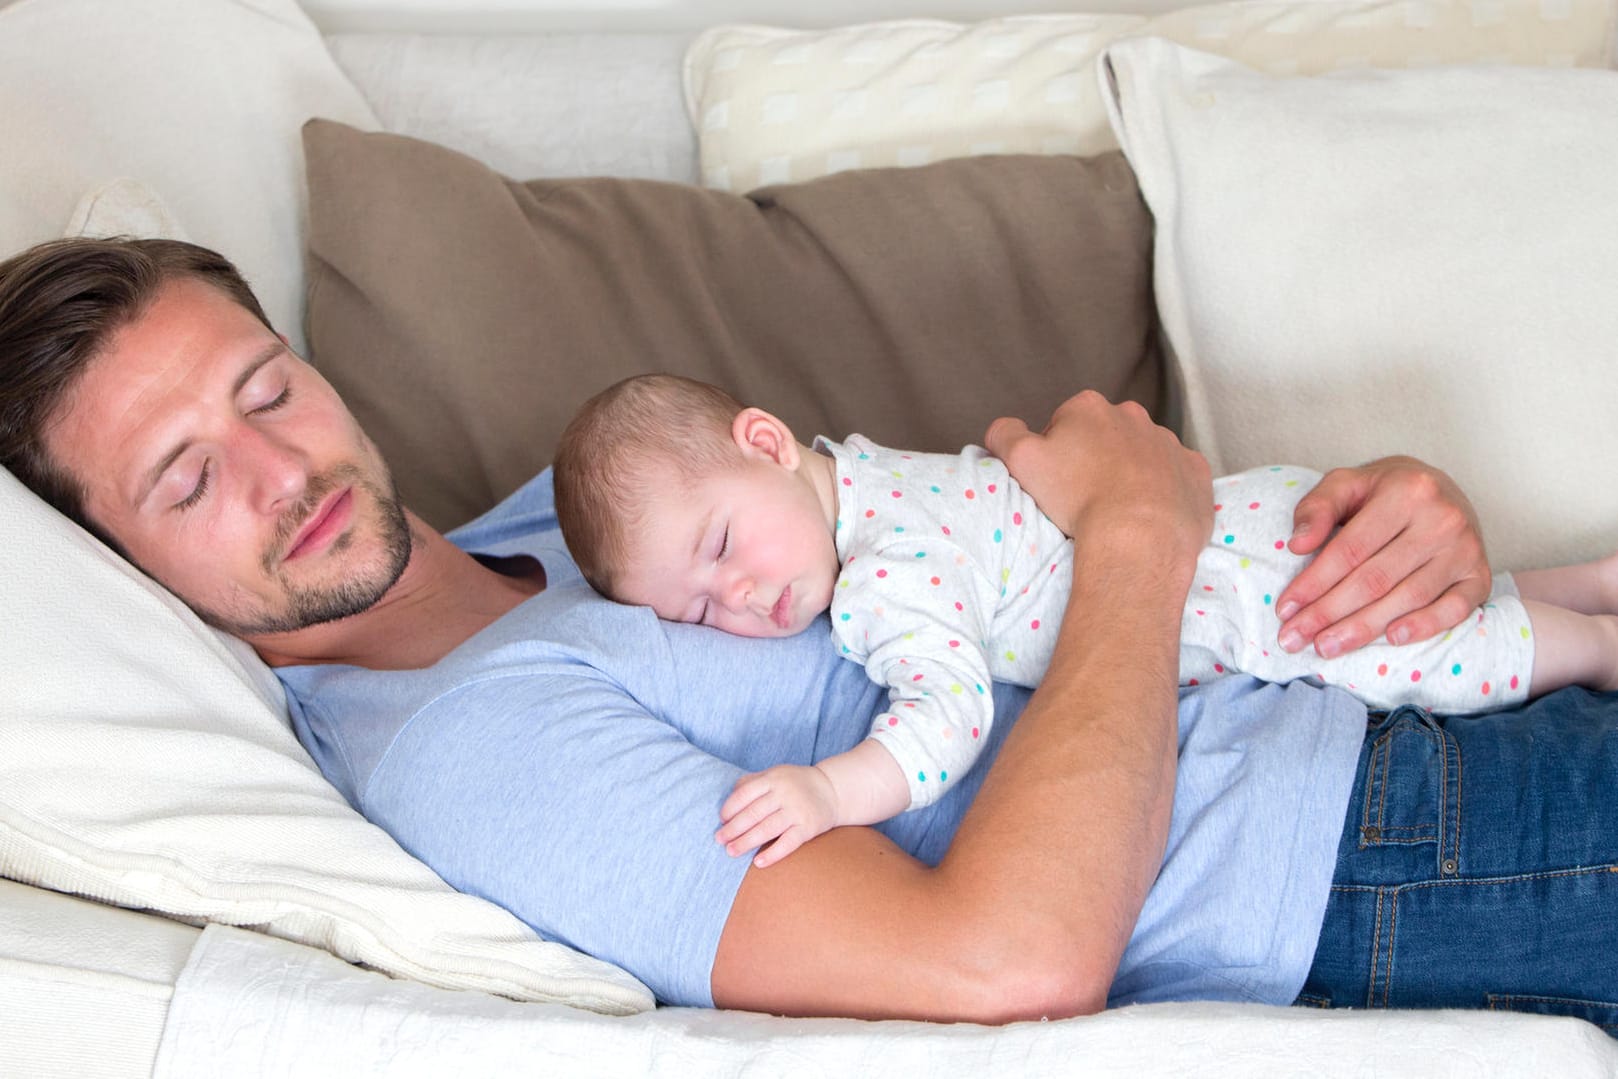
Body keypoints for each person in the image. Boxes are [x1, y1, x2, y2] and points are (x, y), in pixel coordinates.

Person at [3, 236, 1615, 1029]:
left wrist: (1373, 525)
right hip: (1376, 855)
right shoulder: (470, 744)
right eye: (188, 476)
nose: (282, 471)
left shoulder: (554, 530)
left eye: (265, 387)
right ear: (119, 565)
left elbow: (964, 546)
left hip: (1353, 691)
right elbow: (1000, 958)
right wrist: (1145, 529)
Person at [551, 374, 1618, 867]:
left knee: (1455, 657)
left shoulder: (882, 576)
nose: (736, 598)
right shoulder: (874, 466)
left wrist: (830, 788)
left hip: (1255, 600)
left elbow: (949, 713)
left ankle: (1603, 643)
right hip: (1252, 511)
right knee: (1451, 600)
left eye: (722, 549)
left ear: (767, 439)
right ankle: (1589, 582)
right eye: (694, 610)